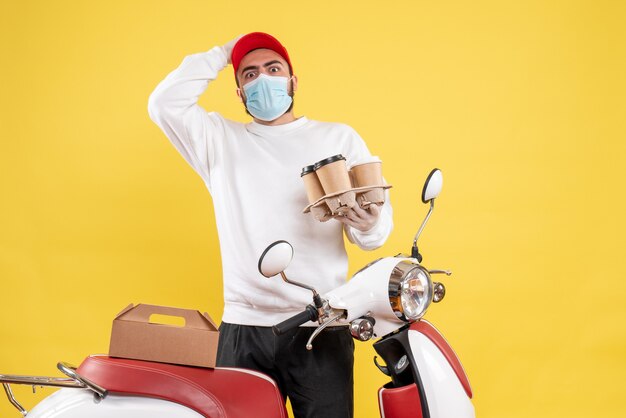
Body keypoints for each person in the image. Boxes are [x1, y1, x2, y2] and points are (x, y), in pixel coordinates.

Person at [148, 32, 393, 418]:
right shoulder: (219, 141)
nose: (262, 79)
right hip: (244, 328)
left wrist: (369, 223)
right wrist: (225, 52)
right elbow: (164, 102)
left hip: (321, 325)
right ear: (240, 93)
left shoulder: (337, 137)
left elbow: (375, 234)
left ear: (293, 82)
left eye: (273, 69)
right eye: (249, 74)